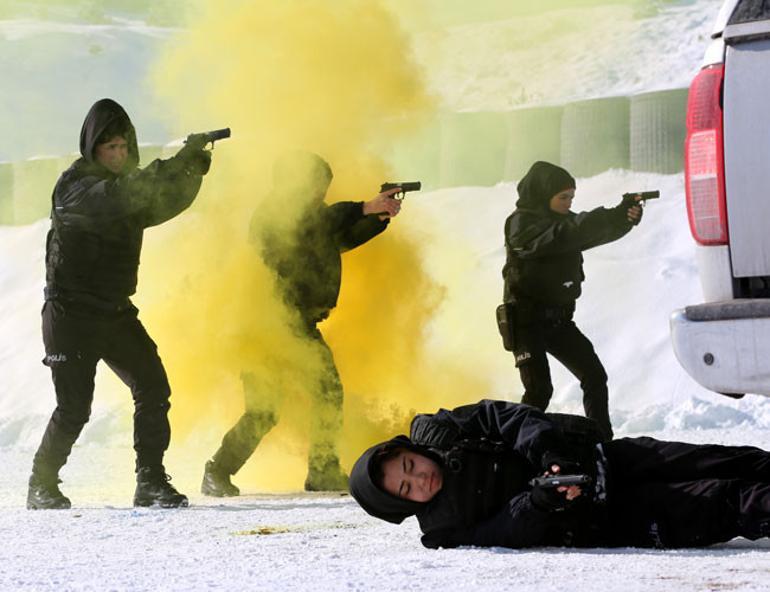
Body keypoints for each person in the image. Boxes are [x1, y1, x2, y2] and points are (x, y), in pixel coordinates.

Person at [28, 98, 213, 510]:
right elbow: (118, 196)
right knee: (74, 408)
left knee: (152, 386)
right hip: (70, 313)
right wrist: (172, 162)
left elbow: (162, 203)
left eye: (124, 148)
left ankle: (149, 481)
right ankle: (41, 484)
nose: (118, 155)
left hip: (113, 310)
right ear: (93, 149)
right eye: (110, 148)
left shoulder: (127, 192)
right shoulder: (74, 189)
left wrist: (191, 171)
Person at [201, 151, 402, 495]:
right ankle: (221, 471)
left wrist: (377, 220)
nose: (319, 196)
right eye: (314, 188)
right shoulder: (276, 215)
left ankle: (233, 470)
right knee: (281, 406)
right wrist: (363, 208)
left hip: (291, 325)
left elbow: (336, 240)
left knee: (288, 403)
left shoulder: (309, 218)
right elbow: (319, 225)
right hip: (270, 325)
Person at [350, 399, 770, 550]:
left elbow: (507, 418)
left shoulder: (440, 429)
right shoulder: (443, 528)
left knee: (728, 460)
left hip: (606, 459)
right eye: (407, 488)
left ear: (411, 450)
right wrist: (540, 500)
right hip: (604, 517)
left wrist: (551, 457)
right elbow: (504, 530)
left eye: (410, 466)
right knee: (727, 501)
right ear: (404, 505)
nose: (420, 478)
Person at [500, 161, 644, 439]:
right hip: (526, 323)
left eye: (571, 198)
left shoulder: (563, 222)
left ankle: (603, 442)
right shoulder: (521, 223)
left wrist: (622, 218)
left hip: (558, 321)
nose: (568, 203)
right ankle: (513, 447)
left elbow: (588, 232)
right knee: (540, 391)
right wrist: (606, 216)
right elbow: (566, 235)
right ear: (543, 195)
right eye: (563, 197)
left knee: (594, 377)